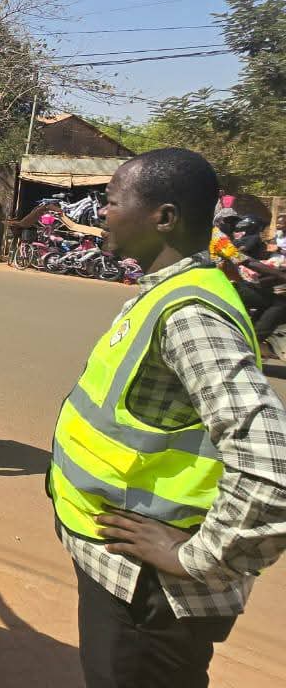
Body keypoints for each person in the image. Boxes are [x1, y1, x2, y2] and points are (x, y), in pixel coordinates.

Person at [47, 148, 286, 688]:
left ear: (165, 217)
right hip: (128, 579)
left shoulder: (190, 313)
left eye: (110, 202)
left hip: (150, 597)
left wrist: (199, 557)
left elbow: (273, 465)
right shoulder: (170, 292)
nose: (100, 214)